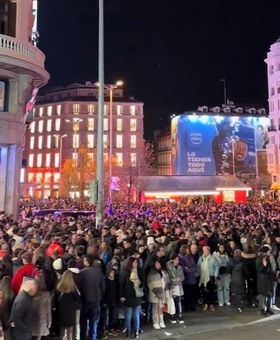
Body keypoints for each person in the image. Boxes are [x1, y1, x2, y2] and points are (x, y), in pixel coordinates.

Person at [79, 254, 105, 340]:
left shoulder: (81, 273)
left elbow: (79, 288)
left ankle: (83, 337)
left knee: (83, 322)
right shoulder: (99, 272)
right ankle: (93, 337)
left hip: (84, 300)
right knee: (93, 322)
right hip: (96, 300)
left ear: (86, 261)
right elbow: (103, 287)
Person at [119, 256, 143, 338]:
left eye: (137, 262)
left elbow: (142, 284)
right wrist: (121, 295)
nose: (136, 264)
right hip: (128, 296)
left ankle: (136, 331)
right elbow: (121, 285)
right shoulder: (125, 273)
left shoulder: (139, 272)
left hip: (136, 296)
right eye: (134, 262)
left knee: (136, 315)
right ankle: (128, 331)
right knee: (128, 316)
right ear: (130, 263)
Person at [56, 270, 80, 340]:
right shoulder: (73, 289)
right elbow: (78, 300)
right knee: (70, 332)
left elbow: (55, 301)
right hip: (71, 313)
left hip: (61, 312)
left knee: (62, 332)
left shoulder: (58, 288)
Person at [198, 246, 219, 312]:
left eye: (206, 250)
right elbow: (198, 266)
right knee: (204, 291)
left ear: (209, 251)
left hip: (211, 276)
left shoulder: (213, 258)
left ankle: (211, 304)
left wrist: (215, 275)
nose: (204, 252)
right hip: (203, 277)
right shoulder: (201, 258)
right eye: (203, 250)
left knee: (211, 291)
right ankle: (206, 303)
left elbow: (217, 267)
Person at [32, 273, 52, 340]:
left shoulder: (31, 293)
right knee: (39, 337)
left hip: (32, 318)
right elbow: (48, 310)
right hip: (42, 319)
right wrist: (49, 322)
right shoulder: (46, 294)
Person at [147, 260, 166, 330]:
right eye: (157, 263)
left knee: (160, 308)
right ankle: (155, 322)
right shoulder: (151, 273)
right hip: (155, 293)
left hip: (161, 292)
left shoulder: (160, 272)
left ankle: (161, 321)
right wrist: (156, 292)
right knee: (155, 308)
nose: (159, 264)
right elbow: (150, 284)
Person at [256, 246, 274, 316]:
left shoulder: (267, 258)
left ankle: (268, 309)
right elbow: (259, 269)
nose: (270, 252)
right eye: (269, 251)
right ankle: (262, 310)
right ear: (265, 252)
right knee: (263, 296)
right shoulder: (259, 259)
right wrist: (264, 265)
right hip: (262, 280)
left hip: (268, 279)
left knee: (269, 294)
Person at [167, 255, 184, 324]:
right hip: (172, 286)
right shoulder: (169, 267)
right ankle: (172, 316)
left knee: (178, 302)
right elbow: (168, 277)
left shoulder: (180, 267)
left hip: (179, 286)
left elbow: (183, 277)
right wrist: (173, 281)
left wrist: (179, 279)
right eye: (175, 259)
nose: (177, 261)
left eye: (178, 260)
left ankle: (179, 315)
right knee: (172, 302)